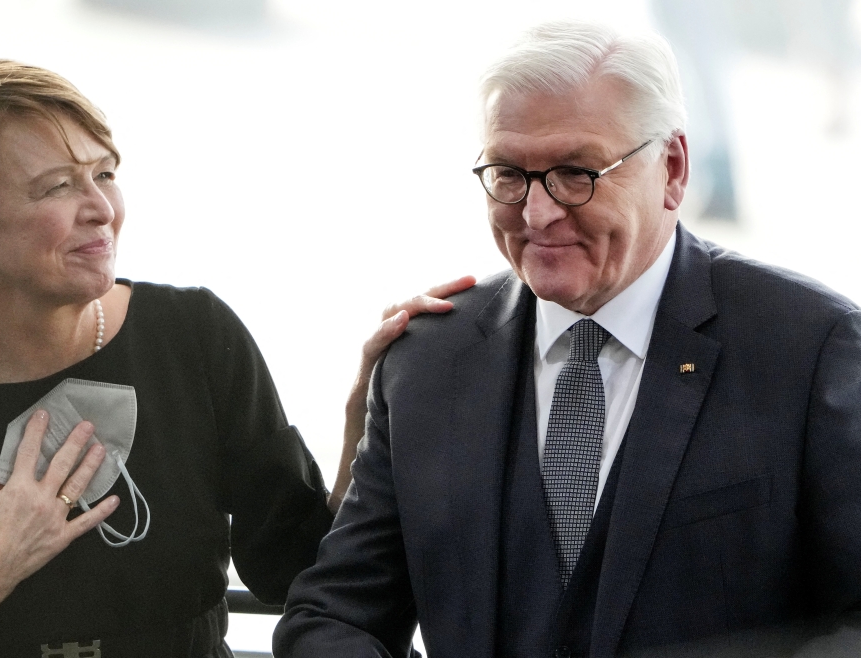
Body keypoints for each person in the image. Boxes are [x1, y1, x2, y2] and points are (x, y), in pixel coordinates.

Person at [274, 20, 861, 658]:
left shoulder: (809, 349)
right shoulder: (424, 361)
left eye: (576, 172)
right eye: (507, 173)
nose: (536, 213)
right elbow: (334, 616)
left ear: (672, 168)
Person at [0, 60, 474, 658]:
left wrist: (364, 413)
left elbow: (297, 571)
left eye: (104, 174)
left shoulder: (193, 336)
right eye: (58, 186)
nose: (101, 209)